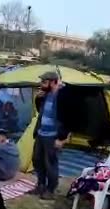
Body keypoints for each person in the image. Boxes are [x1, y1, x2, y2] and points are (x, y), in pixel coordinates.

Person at [32, 71, 71, 200]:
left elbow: (69, 118)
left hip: (53, 135)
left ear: (53, 82)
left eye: (44, 82)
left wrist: (62, 139)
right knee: (37, 160)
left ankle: (51, 189)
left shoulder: (63, 96)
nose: (41, 84)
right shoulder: (46, 94)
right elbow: (41, 112)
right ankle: (41, 185)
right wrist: (38, 98)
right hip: (41, 133)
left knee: (51, 163)